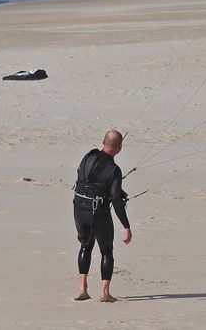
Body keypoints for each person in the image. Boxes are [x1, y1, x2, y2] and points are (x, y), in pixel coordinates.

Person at [73, 129, 133, 303]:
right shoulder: (115, 169)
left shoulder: (88, 156)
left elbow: (86, 179)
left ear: (103, 142)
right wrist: (126, 226)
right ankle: (105, 293)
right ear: (119, 148)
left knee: (85, 245)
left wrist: (115, 189)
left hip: (79, 208)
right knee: (106, 251)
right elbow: (115, 199)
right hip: (97, 213)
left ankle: (82, 288)